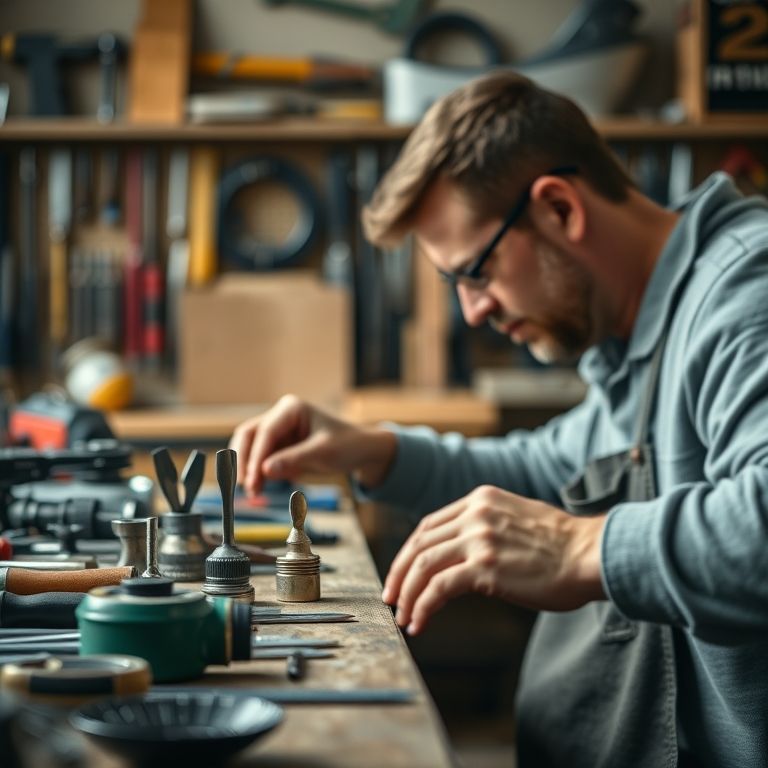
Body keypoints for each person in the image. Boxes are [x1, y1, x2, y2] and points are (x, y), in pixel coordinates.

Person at [229, 71, 768, 767]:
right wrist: (375, 452)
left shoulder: (745, 295)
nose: (472, 312)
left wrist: (578, 550)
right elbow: (549, 470)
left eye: (475, 273)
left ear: (559, 209)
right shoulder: (641, 332)